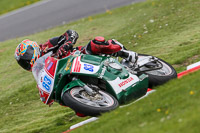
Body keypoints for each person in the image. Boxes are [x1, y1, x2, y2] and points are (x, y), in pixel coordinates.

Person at [15, 30, 138, 71]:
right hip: (69, 72)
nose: (27, 62)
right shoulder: (39, 70)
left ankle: (123, 52)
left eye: (26, 57)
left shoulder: (48, 46)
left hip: (78, 56)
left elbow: (71, 33)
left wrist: (67, 44)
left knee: (94, 44)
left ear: (32, 48)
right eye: (23, 62)